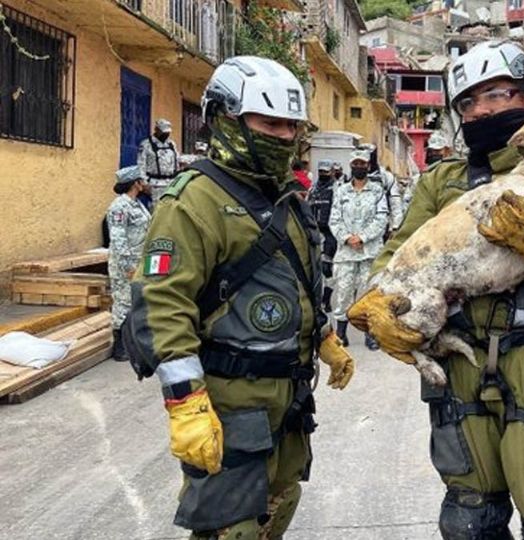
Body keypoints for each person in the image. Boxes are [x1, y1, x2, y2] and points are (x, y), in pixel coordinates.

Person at [350, 40, 524, 539]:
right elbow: (401, 251)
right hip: (460, 368)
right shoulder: (442, 181)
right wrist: (382, 302)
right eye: (469, 102)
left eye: (499, 94)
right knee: (470, 520)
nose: (484, 109)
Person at [122, 56, 354, 539]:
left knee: (280, 503)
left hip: (289, 395)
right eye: (269, 123)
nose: (284, 137)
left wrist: (324, 336)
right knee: (232, 528)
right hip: (228, 398)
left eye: (291, 126)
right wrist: (185, 402)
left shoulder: (287, 198)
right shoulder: (193, 201)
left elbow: (301, 282)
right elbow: (161, 306)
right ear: (226, 119)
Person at [329, 149, 388, 350]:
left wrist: (363, 237)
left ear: (368, 166)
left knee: (368, 293)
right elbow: (334, 219)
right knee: (343, 292)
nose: (359, 167)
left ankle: (370, 334)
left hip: (370, 252)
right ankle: (341, 334)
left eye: (362, 164)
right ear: (351, 166)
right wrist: (347, 238)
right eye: (355, 164)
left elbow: (382, 219)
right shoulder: (341, 191)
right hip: (346, 253)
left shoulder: (378, 191)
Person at [107, 166, 151, 361]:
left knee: (138, 301)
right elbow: (118, 239)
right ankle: (119, 346)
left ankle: (134, 341)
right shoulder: (119, 206)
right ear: (136, 183)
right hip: (125, 264)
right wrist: (127, 266)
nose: (145, 183)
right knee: (123, 303)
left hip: (139, 261)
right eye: (142, 180)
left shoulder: (138, 205)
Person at [308, 159, 337, 313]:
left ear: (332, 172)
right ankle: (315, 301)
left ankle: (326, 300)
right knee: (313, 268)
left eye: (326, 171)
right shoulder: (313, 190)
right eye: (321, 172)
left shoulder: (337, 189)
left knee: (327, 269)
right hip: (313, 232)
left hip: (330, 234)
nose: (323, 174)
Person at [363, 143, 404, 235]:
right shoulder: (352, 177)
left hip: (380, 226)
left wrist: (396, 227)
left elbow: (395, 203)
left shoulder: (386, 177)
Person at [138, 118, 179, 204]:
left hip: (171, 184)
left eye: (168, 132)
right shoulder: (146, 144)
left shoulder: (171, 144)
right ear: (157, 130)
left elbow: (176, 162)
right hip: (155, 185)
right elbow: (141, 165)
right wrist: (144, 183)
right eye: (163, 132)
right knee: (156, 211)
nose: (166, 134)